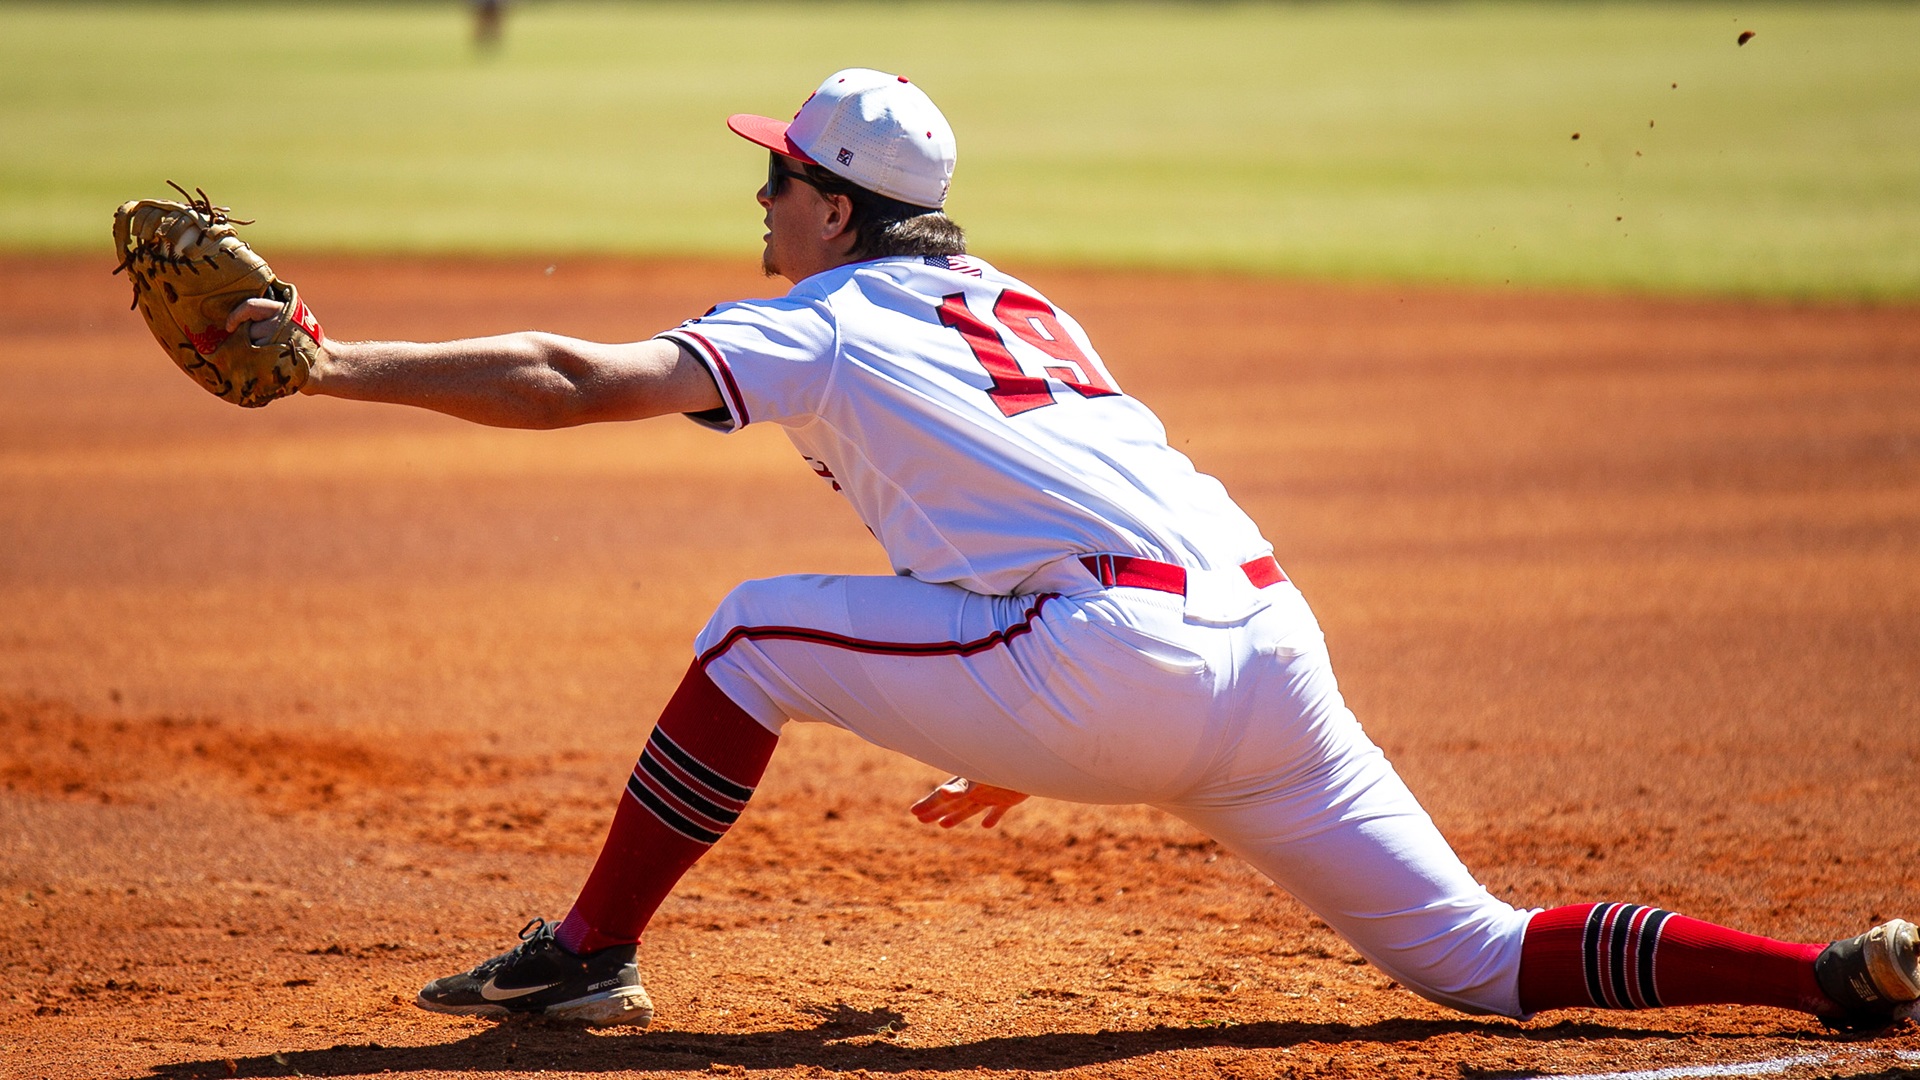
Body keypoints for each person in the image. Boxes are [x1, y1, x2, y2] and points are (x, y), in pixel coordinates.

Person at [227, 68, 1918, 1034]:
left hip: (1106, 660)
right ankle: (1832, 973)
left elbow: (567, 378)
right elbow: (1050, 499)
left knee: (747, 636)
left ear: (839, 209)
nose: (762, 202)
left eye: (784, 178)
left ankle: (587, 959)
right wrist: (1027, 725)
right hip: (1266, 653)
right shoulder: (1014, 303)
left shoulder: (817, 322)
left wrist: (328, 365)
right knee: (1476, 957)